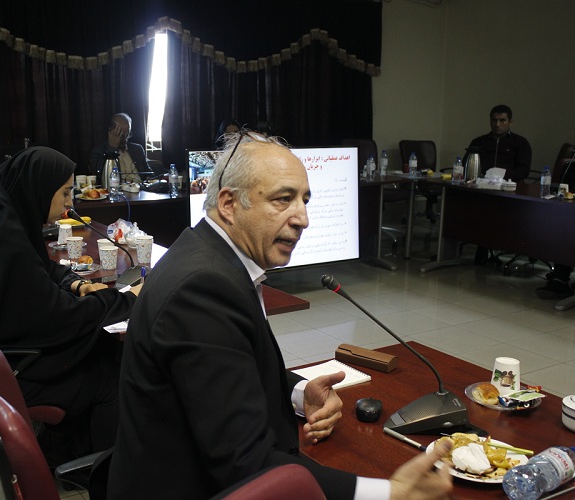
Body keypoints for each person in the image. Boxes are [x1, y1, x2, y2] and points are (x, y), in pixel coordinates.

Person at [108, 132, 452, 499]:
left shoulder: (205, 254)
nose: (302, 218)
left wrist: (300, 392)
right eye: (283, 199)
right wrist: (392, 493)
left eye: (304, 200)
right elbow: (248, 466)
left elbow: (225, 369)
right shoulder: (204, 289)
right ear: (229, 203)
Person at [0, 146, 141, 457]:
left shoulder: (1, 218)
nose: (70, 202)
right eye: (64, 193)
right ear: (39, 188)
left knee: (101, 349)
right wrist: (126, 299)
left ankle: (66, 452)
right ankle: (100, 472)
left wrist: (77, 283)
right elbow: (60, 318)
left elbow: (41, 267)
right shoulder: (2, 239)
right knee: (109, 373)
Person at [463, 105, 532, 265]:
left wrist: (501, 175)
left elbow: (524, 170)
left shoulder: (520, 143)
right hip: (481, 188)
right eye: (494, 120)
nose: (498, 124)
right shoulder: (479, 142)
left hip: (508, 189)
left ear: (510, 121)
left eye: (502, 120)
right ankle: (475, 244)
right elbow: (467, 164)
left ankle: (487, 246)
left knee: (494, 210)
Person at [90, 113, 151, 185]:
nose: (125, 139)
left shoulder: (137, 149)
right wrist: (112, 148)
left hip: (140, 187)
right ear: (111, 131)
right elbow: (100, 175)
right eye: (121, 135)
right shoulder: (99, 151)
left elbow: (149, 173)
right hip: (117, 188)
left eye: (127, 135)